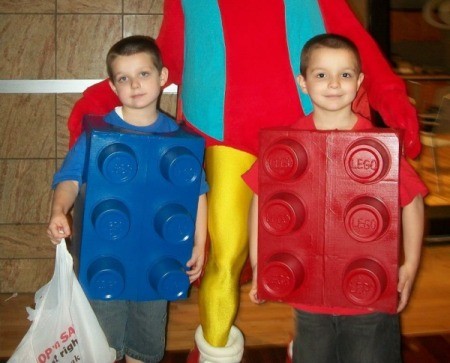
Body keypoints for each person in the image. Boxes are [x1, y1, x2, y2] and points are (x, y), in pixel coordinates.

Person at [64, 2, 423, 361]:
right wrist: (101, 97)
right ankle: (215, 352)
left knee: (321, 246)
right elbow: (168, 53)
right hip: (223, 135)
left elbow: (355, 47)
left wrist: (391, 98)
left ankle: (310, 341)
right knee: (225, 254)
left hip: (301, 138)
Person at [243, 34, 428, 363]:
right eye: (321, 74)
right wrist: (261, 265)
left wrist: (410, 265)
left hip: (369, 295)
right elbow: (262, 201)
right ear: (303, 82)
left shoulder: (378, 147)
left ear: (359, 82)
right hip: (309, 297)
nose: (333, 83)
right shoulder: (288, 146)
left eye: (344, 74)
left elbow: (412, 201)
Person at [47, 35, 208, 363]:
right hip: (106, 254)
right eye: (124, 78)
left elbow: (197, 194)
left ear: (162, 77)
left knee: (147, 337)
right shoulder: (99, 135)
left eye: (143, 74)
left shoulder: (178, 141)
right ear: (113, 86)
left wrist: (199, 243)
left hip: (157, 256)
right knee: (103, 337)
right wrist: (59, 210)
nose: (135, 84)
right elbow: (69, 178)